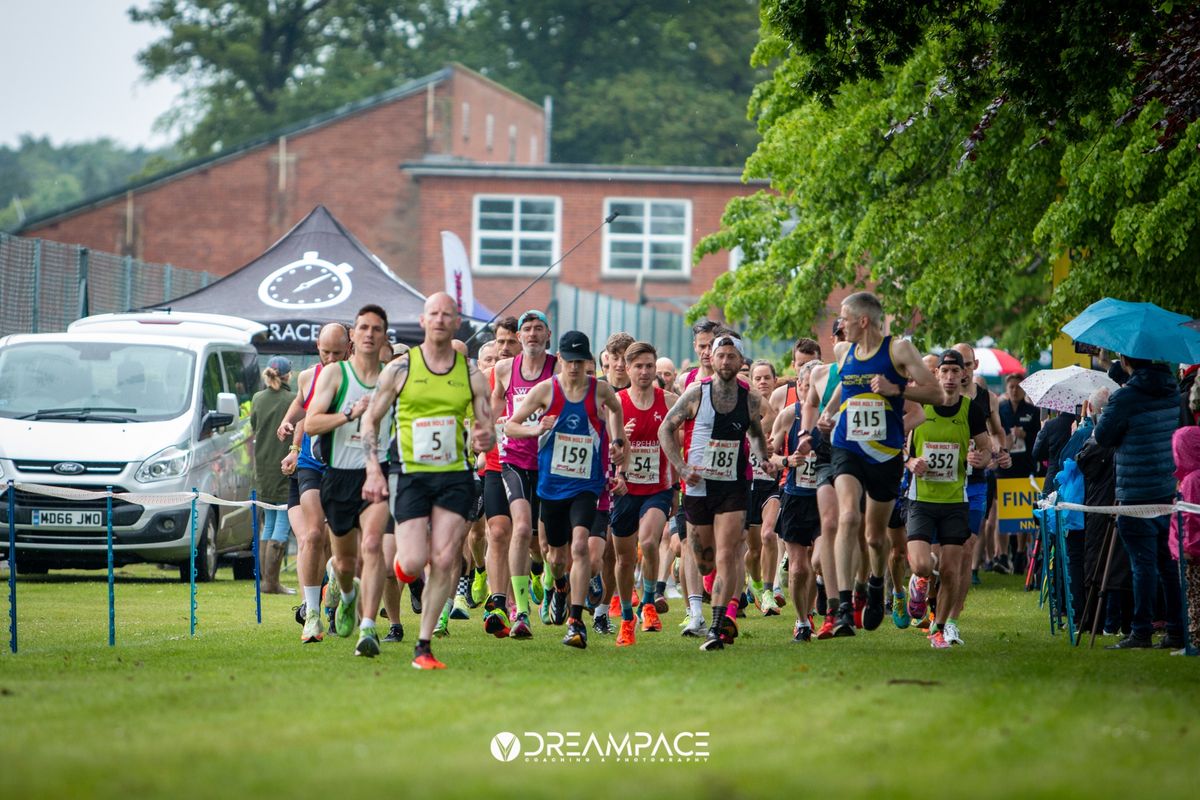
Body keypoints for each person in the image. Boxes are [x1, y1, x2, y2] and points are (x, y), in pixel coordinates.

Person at [362, 292, 494, 669]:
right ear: (423, 321)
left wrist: (485, 439)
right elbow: (370, 419)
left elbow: (487, 428)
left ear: (456, 323)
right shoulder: (400, 369)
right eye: (433, 313)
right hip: (410, 474)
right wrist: (373, 468)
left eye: (447, 314)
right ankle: (406, 570)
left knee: (445, 557)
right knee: (415, 560)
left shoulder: (470, 374)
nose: (439, 319)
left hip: (454, 475)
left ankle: (423, 645)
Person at [816, 292, 942, 635]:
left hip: (885, 454)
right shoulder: (844, 351)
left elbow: (936, 393)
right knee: (848, 516)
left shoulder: (898, 350)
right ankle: (843, 607)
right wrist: (828, 413)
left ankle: (874, 585)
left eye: (844, 318)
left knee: (874, 537)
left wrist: (896, 389)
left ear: (863, 320)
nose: (839, 325)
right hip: (847, 446)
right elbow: (846, 387)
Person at [505, 331, 627, 650]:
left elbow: (616, 408)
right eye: (570, 361)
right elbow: (509, 425)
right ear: (559, 358)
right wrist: (536, 428)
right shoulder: (546, 390)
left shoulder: (599, 389)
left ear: (588, 361)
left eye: (581, 362)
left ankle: (576, 622)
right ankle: (558, 584)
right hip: (552, 486)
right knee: (554, 556)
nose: (575, 368)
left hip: (587, 485)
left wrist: (616, 441)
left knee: (580, 548)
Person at [660, 332, 773, 651]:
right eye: (719, 355)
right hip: (698, 488)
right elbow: (666, 428)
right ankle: (709, 591)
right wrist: (681, 468)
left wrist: (765, 460)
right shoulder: (697, 393)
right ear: (712, 357)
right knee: (705, 560)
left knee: (727, 553)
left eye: (731, 356)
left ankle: (717, 627)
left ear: (740, 361)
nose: (724, 361)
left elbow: (756, 432)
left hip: (733, 488)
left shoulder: (750, 399)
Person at [305, 305, 394, 657]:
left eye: (377, 328)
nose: (370, 334)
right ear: (353, 336)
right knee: (344, 564)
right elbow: (311, 424)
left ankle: (368, 627)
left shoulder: (394, 376)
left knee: (372, 545)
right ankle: (346, 596)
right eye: (363, 328)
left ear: (385, 336)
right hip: (339, 476)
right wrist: (348, 413)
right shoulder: (335, 375)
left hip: (379, 472)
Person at [1094, 354, 1185, 650]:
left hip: (1135, 491)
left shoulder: (1125, 397)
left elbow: (1103, 437)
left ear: (1125, 359)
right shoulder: (1173, 390)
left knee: (1142, 564)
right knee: (1169, 564)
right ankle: (1176, 629)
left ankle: (1141, 631)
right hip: (1168, 487)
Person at [904, 350, 991, 648]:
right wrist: (910, 462)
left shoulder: (971, 410)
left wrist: (981, 457)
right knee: (921, 565)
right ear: (937, 375)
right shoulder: (920, 407)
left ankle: (938, 628)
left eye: (956, 372)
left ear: (963, 375)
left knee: (952, 569)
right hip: (921, 499)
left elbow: (986, 447)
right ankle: (918, 581)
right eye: (946, 372)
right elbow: (903, 448)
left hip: (955, 501)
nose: (951, 377)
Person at [278, 323, 350, 642]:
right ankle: (311, 615)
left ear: (350, 348)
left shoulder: (359, 377)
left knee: (343, 541)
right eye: (325, 352)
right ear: (317, 348)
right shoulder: (308, 376)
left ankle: (335, 582)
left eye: (337, 352)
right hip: (311, 464)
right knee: (311, 535)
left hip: (346, 463)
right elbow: (300, 403)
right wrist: (287, 421)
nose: (331, 358)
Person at [487, 311, 556, 638]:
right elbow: (493, 410)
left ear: (547, 335)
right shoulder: (504, 370)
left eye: (537, 329)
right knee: (519, 527)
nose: (531, 334)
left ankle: (549, 578)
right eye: (526, 329)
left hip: (551, 463)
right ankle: (520, 613)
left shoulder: (558, 367)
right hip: (513, 458)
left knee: (546, 543)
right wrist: (485, 432)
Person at [611, 341, 678, 645]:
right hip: (624, 490)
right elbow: (601, 448)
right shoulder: (615, 404)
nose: (645, 371)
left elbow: (680, 442)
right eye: (638, 366)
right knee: (624, 560)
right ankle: (627, 618)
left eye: (649, 365)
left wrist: (677, 488)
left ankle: (649, 602)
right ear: (626, 368)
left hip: (657, 489)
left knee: (650, 542)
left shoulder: (669, 402)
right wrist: (616, 440)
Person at [250, 356, 297, 594]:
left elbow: (253, 426)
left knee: (267, 522)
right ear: (289, 375)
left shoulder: (257, 398)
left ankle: (266, 582)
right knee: (282, 521)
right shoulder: (292, 400)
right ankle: (271, 582)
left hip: (263, 468)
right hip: (284, 466)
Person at [1170, 419, 1200, 653]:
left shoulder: (1190, 481)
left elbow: (1190, 519)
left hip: (1191, 552)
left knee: (1192, 599)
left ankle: (1194, 641)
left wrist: (1188, 547)